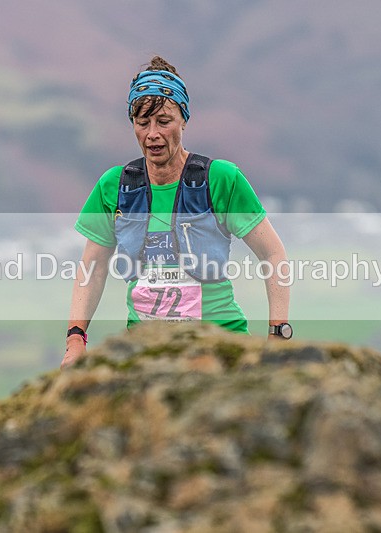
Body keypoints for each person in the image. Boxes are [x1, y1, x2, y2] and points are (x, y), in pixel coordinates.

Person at [61, 56, 290, 369]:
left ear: (184, 120)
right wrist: (75, 340)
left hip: (221, 346)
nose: (152, 133)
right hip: (144, 352)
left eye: (164, 121)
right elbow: (93, 267)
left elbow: (273, 254)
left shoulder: (221, 178)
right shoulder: (114, 186)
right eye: (143, 123)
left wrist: (278, 335)